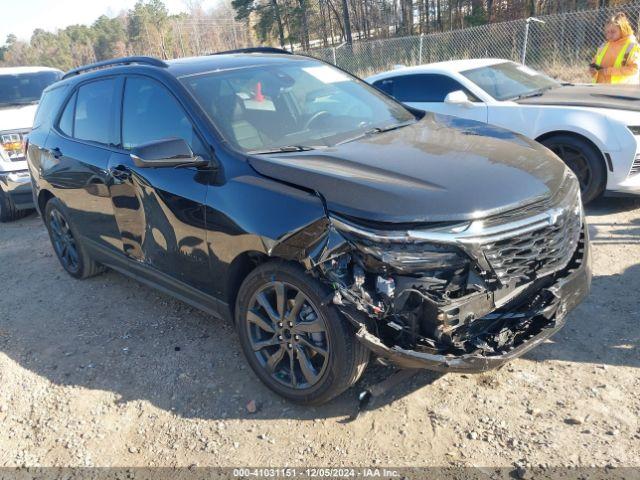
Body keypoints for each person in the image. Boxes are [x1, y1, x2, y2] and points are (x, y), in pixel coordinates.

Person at [590, 13, 640, 85]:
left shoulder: (632, 46)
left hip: (621, 91)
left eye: (613, 32)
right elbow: (594, 63)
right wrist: (592, 69)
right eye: (607, 32)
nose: (609, 35)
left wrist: (609, 71)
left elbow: (634, 69)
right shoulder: (604, 46)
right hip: (600, 88)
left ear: (623, 30)